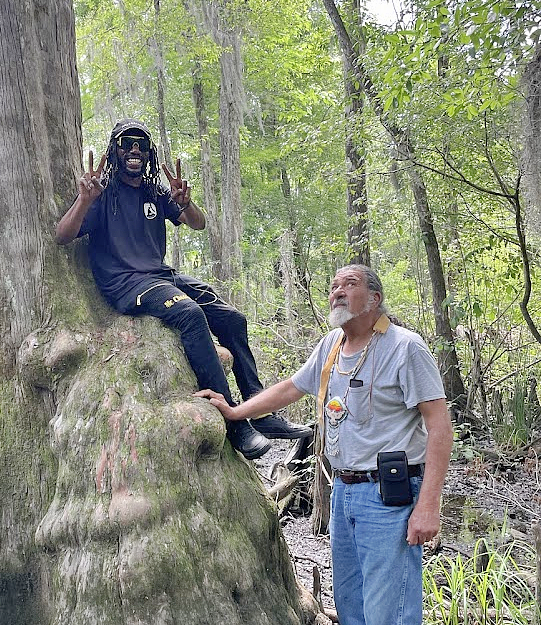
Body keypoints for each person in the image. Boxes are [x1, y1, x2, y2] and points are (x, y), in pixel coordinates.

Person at [196, 264, 453, 625]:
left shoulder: (405, 347)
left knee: (388, 610)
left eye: (350, 284)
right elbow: (291, 387)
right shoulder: (331, 345)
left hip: (388, 497)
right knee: (351, 606)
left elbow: (439, 426)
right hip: (342, 492)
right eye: (333, 285)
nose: (337, 291)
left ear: (375, 298)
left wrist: (428, 505)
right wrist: (237, 412)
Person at [56, 118, 311, 459]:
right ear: (114, 150)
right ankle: (235, 424)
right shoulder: (102, 193)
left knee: (232, 319)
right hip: (126, 284)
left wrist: (185, 201)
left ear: (148, 154)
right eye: (127, 143)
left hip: (162, 276)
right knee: (189, 314)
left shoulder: (153, 191)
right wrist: (84, 200)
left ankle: (259, 410)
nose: (134, 149)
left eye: (141, 144)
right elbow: (62, 235)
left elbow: (197, 223)